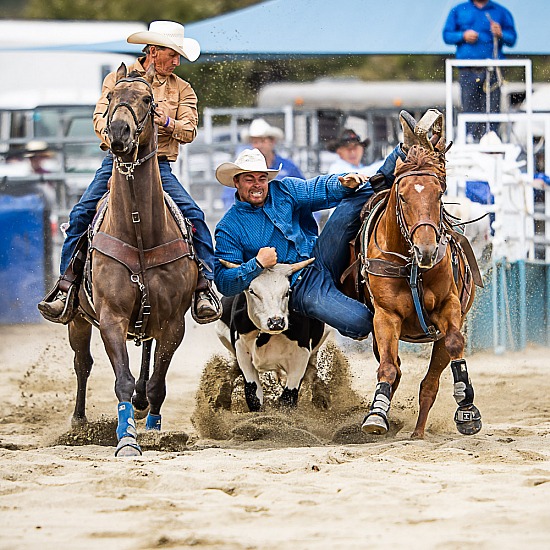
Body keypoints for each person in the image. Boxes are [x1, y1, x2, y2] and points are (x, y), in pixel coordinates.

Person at [38, 20, 221, 324]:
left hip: (157, 166)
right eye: (172, 54)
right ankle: (66, 286)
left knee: (195, 216)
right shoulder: (117, 81)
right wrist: (117, 146)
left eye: (177, 56)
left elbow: (189, 130)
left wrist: (166, 123)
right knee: (82, 213)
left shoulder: (183, 89)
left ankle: (204, 286)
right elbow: (101, 118)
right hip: (116, 160)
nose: (176, 62)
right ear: (153, 50)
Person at [213, 146, 405, 341]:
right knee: (361, 322)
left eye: (262, 178)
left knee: (358, 194)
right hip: (301, 286)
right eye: (249, 179)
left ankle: (404, 151)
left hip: (321, 254)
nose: (257, 185)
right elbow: (223, 282)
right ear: (236, 182)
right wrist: (257, 264)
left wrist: (342, 184)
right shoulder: (228, 227)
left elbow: (315, 188)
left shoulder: (284, 190)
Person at [443, 0, 517, 142]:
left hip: (493, 71)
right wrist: (463, 36)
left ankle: (492, 141)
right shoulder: (458, 10)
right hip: (468, 70)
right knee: (469, 109)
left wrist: (501, 33)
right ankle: (471, 141)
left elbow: (512, 38)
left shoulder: (500, 11)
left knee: (493, 110)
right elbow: (447, 35)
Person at [222, 118, 305, 210]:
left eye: (262, 141)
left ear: (272, 141)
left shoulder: (288, 167)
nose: (258, 145)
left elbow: (303, 194)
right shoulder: (242, 169)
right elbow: (229, 198)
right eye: (254, 142)